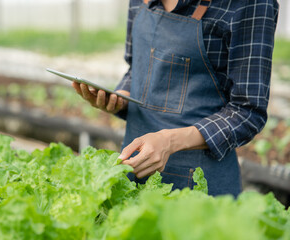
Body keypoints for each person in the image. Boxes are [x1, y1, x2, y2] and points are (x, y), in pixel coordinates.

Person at [72, 0, 279, 197]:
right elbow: (137, 69)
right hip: (133, 175)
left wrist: (168, 141)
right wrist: (119, 98)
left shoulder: (251, 4)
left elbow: (247, 111)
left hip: (200, 191)